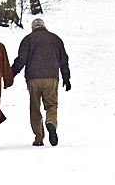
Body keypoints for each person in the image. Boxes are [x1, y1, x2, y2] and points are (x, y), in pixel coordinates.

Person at [11, 18, 70, 147]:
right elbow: (63, 59)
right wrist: (66, 77)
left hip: (33, 78)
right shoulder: (55, 39)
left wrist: (11, 74)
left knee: (35, 107)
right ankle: (51, 122)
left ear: (33, 28)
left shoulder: (28, 39)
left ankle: (38, 137)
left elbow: (21, 60)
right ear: (44, 26)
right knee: (51, 105)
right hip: (51, 77)